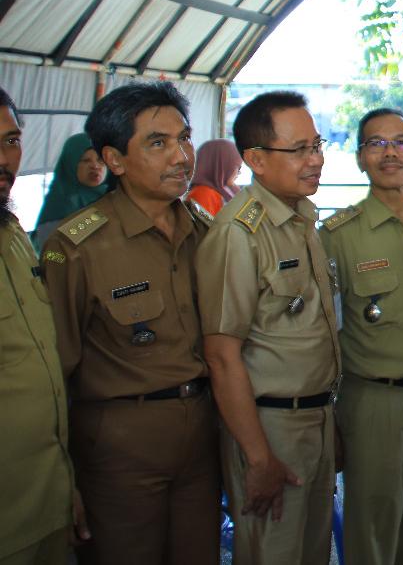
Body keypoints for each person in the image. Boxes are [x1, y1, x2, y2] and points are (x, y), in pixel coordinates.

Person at [43, 82, 220, 564]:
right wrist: (62, 475)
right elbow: (54, 372)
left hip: (202, 434)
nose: (181, 156)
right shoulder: (77, 247)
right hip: (119, 446)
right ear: (114, 160)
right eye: (157, 143)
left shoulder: (205, 232)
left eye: (184, 138)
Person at [198, 91, 340, 565]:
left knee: (313, 552)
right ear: (256, 159)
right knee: (272, 553)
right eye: (299, 149)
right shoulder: (239, 234)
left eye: (316, 145)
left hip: (315, 418)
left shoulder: (300, 219)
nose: (315, 160)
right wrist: (258, 458)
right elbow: (222, 356)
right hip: (270, 428)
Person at [320, 109, 403, 565]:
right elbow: (324, 332)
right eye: (376, 144)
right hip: (374, 402)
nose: (390, 153)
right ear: (360, 158)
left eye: (401, 142)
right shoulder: (336, 236)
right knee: (372, 532)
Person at [0, 87, 83, 565]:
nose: (4, 158)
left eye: (11, 141)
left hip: (46, 501)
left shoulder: (14, 234)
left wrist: (66, 487)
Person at [33, 132, 107, 250]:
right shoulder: (60, 204)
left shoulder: (113, 195)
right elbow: (51, 253)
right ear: (70, 164)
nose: (95, 166)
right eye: (86, 160)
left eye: (100, 160)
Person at [187, 138, 242, 215]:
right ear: (222, 166)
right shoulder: (204, 195)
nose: (239, 173)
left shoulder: (224, 191)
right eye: (237, 167)